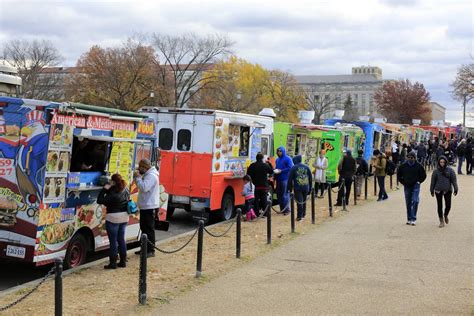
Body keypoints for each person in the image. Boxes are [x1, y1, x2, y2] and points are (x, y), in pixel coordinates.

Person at [97, 174, 130, 269]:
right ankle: (123, 261)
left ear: (113, 182)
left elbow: (99, 200)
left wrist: (105, 188)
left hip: (113, 218)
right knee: (121, 239)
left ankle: (113, 263)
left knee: (113, 241)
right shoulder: (126, 189)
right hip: (124, 217)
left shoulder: (112, 193)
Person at [133, 159, 160, 258]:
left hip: (149, 206)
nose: (139, 169)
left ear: (145, 167)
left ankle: (150, 250)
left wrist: (138, 178)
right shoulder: (149, 174)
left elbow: (144, 188)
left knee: (148, 229)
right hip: (146, 206)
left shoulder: (151, 176)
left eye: (140, 167)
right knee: (144, 228)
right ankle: (144, 248)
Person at [397, 151, 427, 226]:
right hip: (407, 186)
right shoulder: (403, 166)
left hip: (416, 185)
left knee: (415, 200)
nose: (410, 159)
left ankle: (413, 218)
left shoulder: (419, 166)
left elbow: (423, 175)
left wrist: (419, 181)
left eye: (412, 158)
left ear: (415, 158)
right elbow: (399, 175)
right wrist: (403, 182)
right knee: (408, 202)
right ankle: (409, 218)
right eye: (409, 157)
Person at [430, 156, 458, 228]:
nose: (442, 163)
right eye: (441, 162)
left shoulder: (450, 170)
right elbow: (433, 181)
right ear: (439, 162)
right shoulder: (436, 171)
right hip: (438, 190)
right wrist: (431, 190)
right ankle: (441, 220)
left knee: (448, 205)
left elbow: (453, 180)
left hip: (447, 189)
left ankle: (445, 215)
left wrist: (456, 189)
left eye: (443, 162)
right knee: (439, 205)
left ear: (446, 162)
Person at [287, 155, 312, 221]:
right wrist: (310, 188)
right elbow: (310, 178)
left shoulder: (294, 168)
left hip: (298, 187)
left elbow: (290, 179)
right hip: (306, 186)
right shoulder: (307, 167)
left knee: (299, 202)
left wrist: (289, 188)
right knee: (304, 201)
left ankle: (299, 216)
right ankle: (303, 214)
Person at [274, 146, 293, 215]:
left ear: (282, 151)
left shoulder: (288, 159)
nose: (278, 152)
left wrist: (281, 171)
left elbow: (290, 168)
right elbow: (276, 167)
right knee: (279, 195)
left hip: (285, 179)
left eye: (279, 151)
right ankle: (282, 209)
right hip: (279, 179)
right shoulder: (277, 160)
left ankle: (287, 210)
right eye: (277, 151)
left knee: (285, 194)